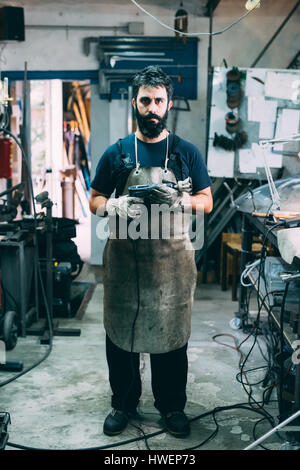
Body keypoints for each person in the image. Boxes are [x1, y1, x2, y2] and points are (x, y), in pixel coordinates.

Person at [89, 65, 213, 438]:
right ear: (135, 102)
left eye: (159, 100)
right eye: (145, 100)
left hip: (171, 267)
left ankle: (171, 406)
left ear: (169, 104)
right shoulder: (118, 154)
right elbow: (94, 199)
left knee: (171, 340)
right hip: (126, 265)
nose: (152, 108)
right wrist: (112, 207)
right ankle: (123, 404)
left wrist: (182, 199)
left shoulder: (185, 153)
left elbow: (207, 202)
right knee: (123, 338)